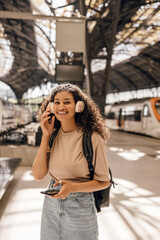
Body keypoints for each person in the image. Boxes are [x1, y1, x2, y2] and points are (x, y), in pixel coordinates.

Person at [33, 83, 110, 240]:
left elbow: (104, 182)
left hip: (80, 202)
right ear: (50, 106)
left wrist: (73, 187)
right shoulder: (52, 136)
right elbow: (38, 174)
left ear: (79, 106)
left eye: (67, 102)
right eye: (57, 102)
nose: (61, 106)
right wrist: (45, 135)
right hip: (51, 203)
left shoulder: (93, 138)